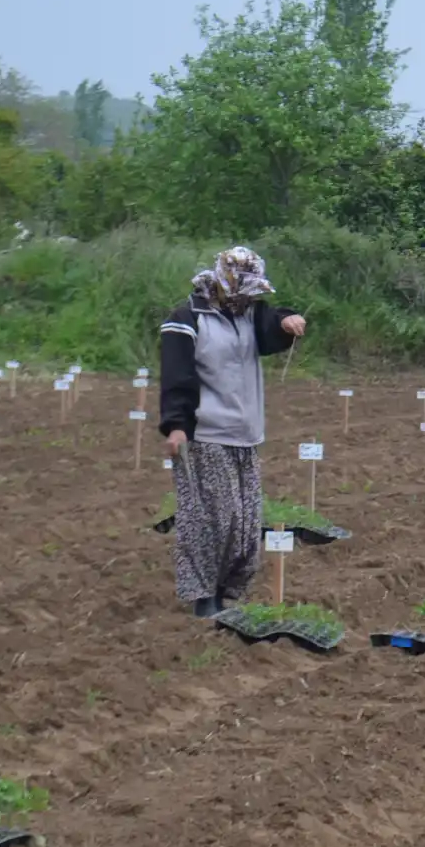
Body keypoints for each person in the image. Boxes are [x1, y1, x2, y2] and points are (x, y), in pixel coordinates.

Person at [158, 246, 308, 617]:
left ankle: (227, 592)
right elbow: (177, 376)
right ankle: (204, 597)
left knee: (244, 524)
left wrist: (289, 321)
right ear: (226, 282)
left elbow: (273, 325)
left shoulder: (249, 314)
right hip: (206, 433)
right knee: (213, 518)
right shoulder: (187, 318)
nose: (253, 296)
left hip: (246, 433)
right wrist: (176, 426)